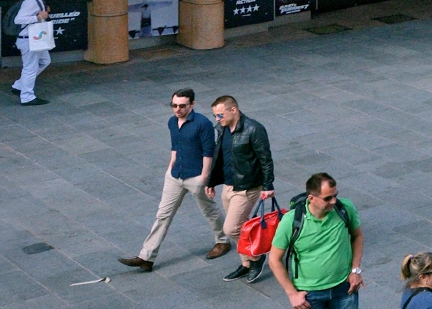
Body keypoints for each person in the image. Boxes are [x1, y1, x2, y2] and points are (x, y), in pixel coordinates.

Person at [121, 87, 228, 273]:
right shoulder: (172, 122)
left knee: (209, 211)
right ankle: (146, 257)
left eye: (182, 106)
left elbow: (208, 151)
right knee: (163, 215)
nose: (177, 109)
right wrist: (170, 166)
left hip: (196, 176)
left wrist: (205, 177)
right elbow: (175, 146)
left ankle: (223, 241)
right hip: (175, 174)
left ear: (192, 104)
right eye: (174, 105)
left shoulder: (202, 124)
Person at [267, 172, 364, 309]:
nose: (334, 201)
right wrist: (292, 294)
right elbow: (274, 259)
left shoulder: (345, 208)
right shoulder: (291, 221)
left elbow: (357, 236)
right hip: (310, 294)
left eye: (335, 195)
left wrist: (355, 270)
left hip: (344, 288)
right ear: (311, 198)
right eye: (328, 198)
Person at [208, 95, 275, 284]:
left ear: (233, 110)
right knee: (243, 226)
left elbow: (265, 159)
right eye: (215, 116)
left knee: (231, 228)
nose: (217, 119)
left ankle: (256, 258)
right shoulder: (222, 129)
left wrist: (268, 186)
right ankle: (246, 264)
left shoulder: (254, 129)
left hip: (247, 186)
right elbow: (219, 156)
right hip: (229, 185)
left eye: (220, 115)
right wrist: (211, 182)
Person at [11, 0, 50, 106]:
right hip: (29, 39)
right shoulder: (31, 2)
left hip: (34, 39)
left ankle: (19, 86)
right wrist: (38, 17)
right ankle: (27, 96)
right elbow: (19, 19)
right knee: (30, 68)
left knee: (45, 60)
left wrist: (42, 13)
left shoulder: (36, 0)